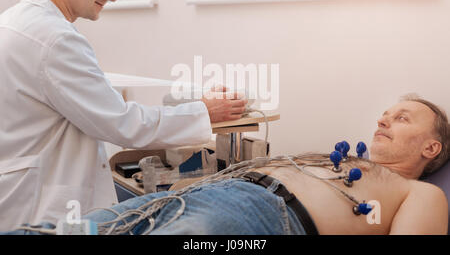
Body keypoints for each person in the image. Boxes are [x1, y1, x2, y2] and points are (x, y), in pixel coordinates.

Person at [0, 0, 247, 231]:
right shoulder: (56, 40)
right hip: (45, 209)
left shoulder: (14, 21)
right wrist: (204, 112)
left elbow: (90, 101)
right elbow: (122, 123)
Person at [3, 95, 448, 235]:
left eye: (402, 118)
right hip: (202, 194)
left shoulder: (421, 193)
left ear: (431, 149)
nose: (384, 119)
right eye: (387, 113)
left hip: (257, 217)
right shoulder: (346, 160)